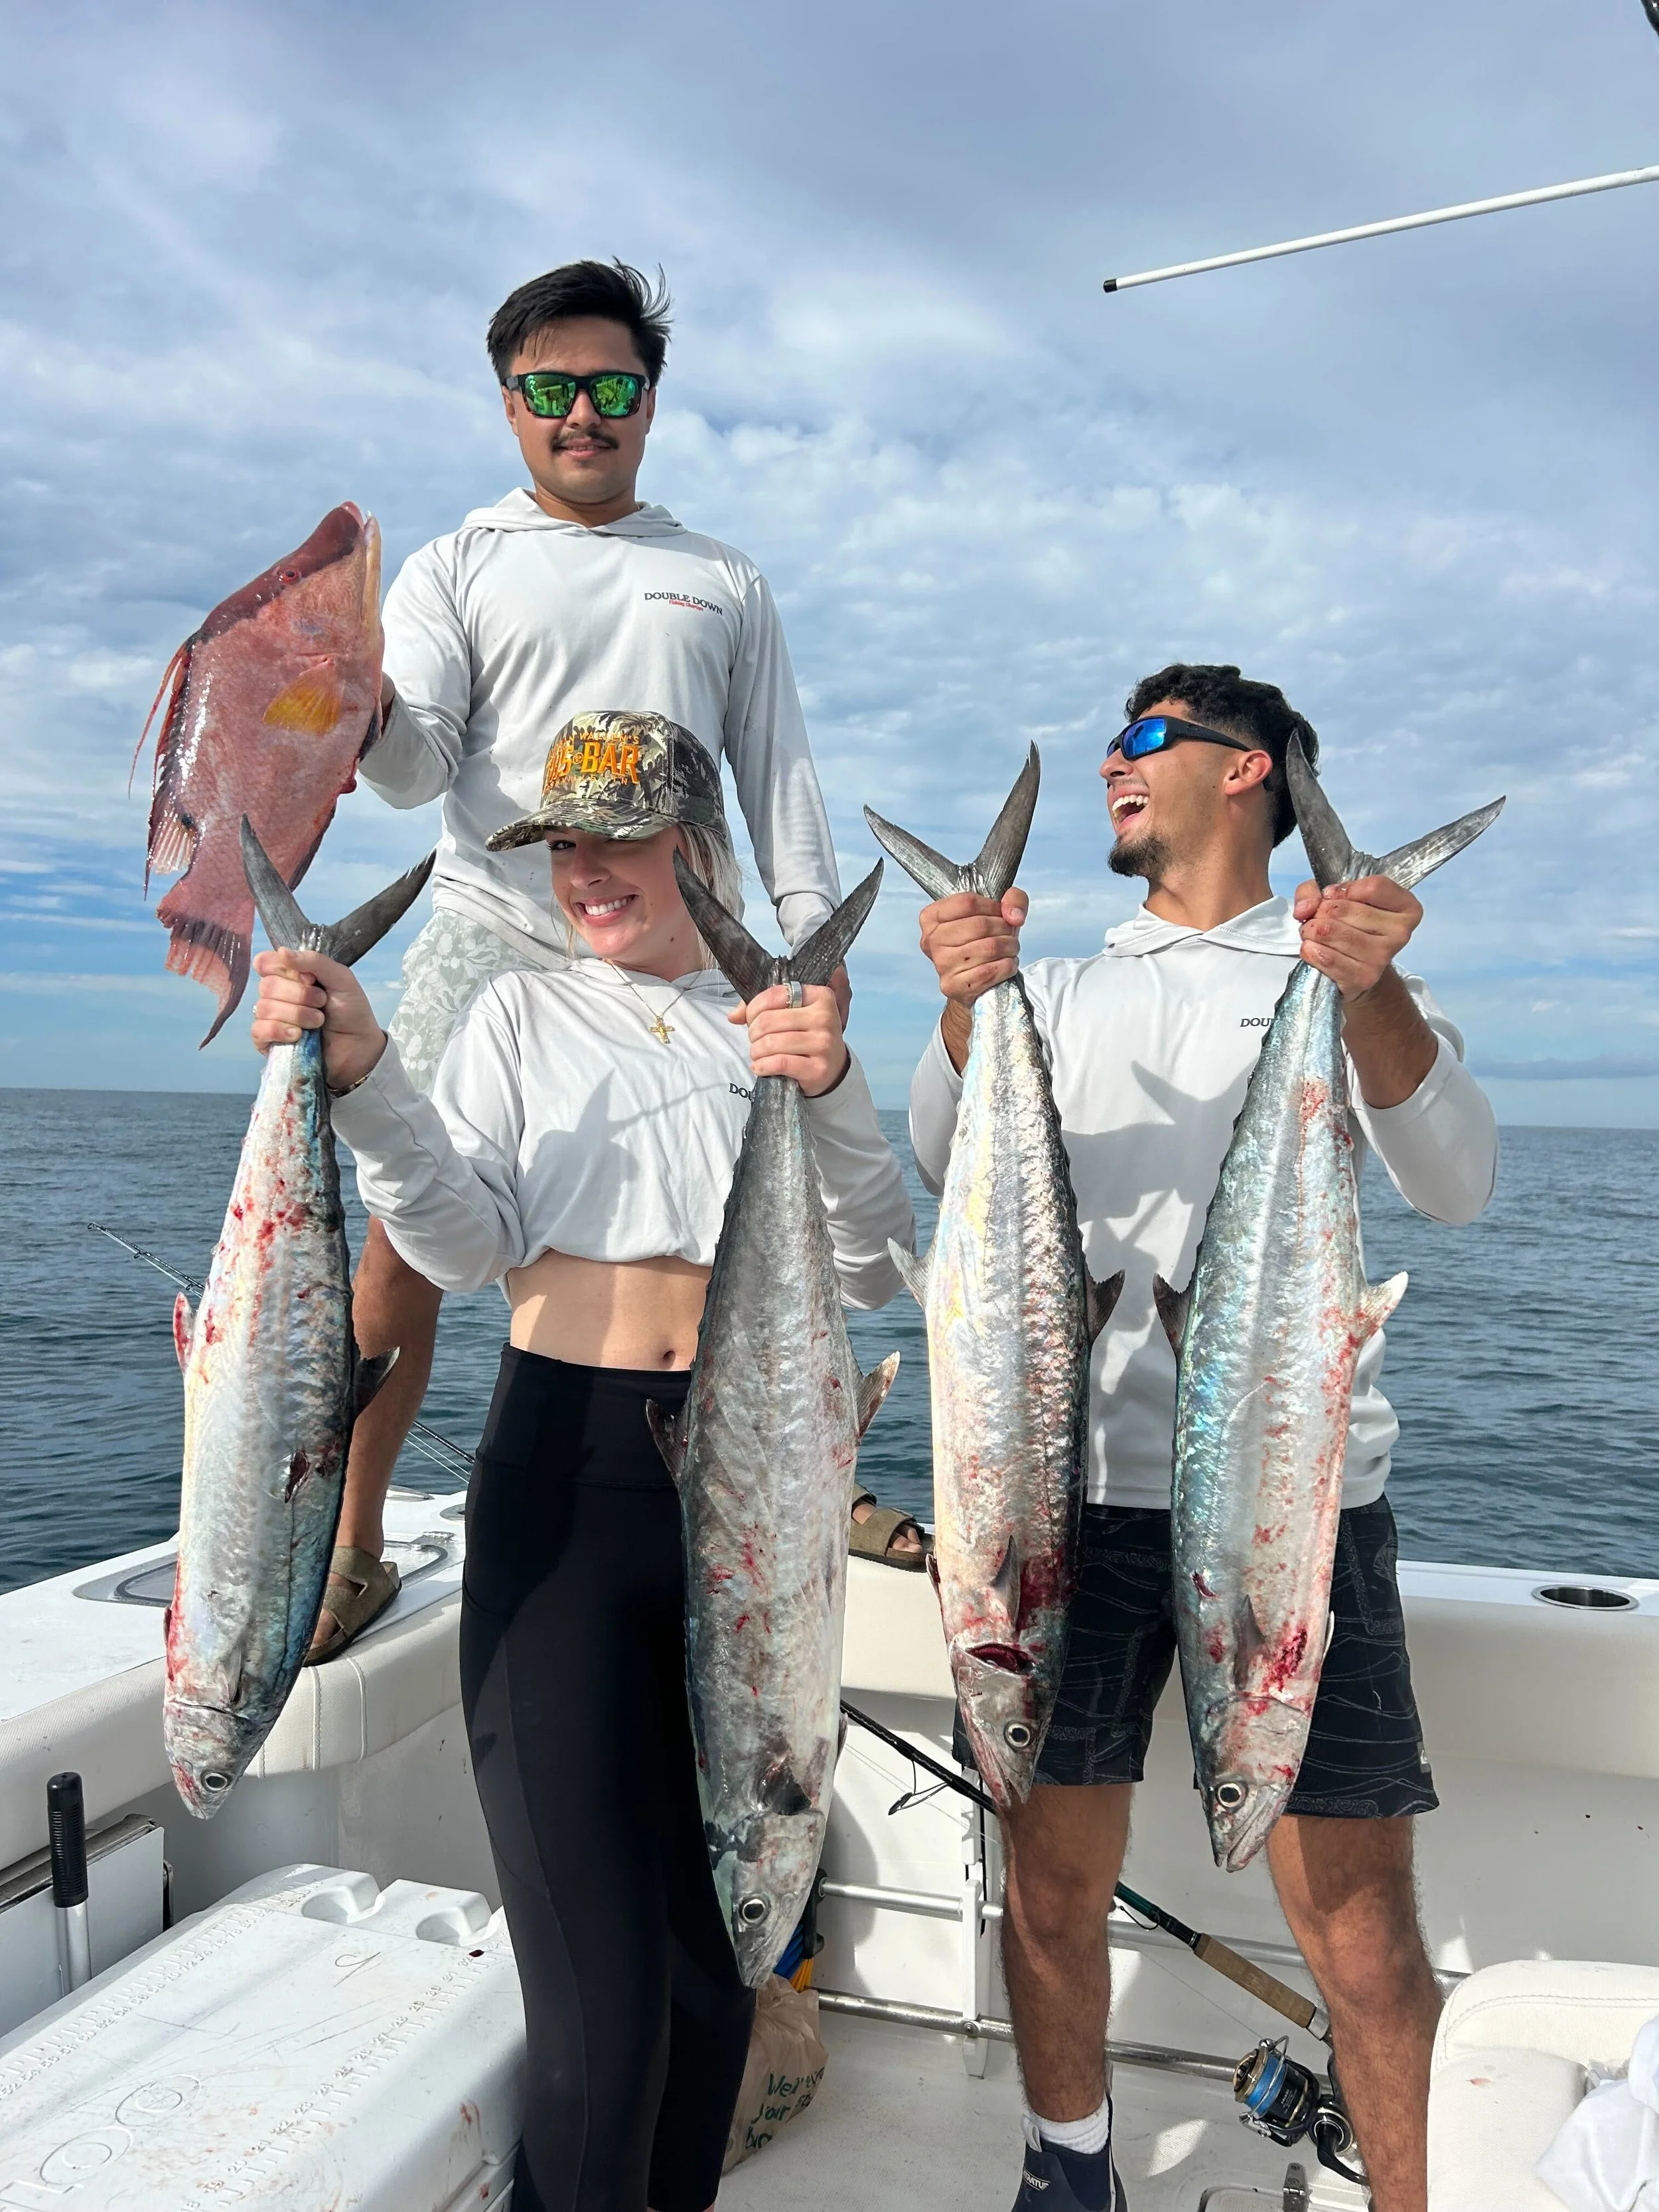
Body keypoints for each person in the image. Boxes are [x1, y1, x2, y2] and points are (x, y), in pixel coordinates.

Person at [252, 715, 914, 2212]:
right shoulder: (520, 1021)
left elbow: (874, 1269)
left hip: (758, 1497)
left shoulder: (778, 1029)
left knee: (713, 1989)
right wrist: (363, 1084)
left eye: (618, 836)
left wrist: (833, 1087)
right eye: (563, 843)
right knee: (601, 2026)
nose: (587, 870)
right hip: (573, 1488)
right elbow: (462, 1240)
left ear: (697, 844)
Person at [908, 665, 1498, 2212]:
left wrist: (1367, 988)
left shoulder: (1333, 972)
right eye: (1108, 742)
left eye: (1145, 740)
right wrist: (967, 1006)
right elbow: (930, 1155)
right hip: (1061, 1495)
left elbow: (1453, 1181)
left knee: (1358, 1934)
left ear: (1251, 774)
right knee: (1047, 1889)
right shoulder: (1062, 992)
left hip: (1292, 1508)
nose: (1113, 761)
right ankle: (1068, 2169)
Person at [317, 256, 922, 1660]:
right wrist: (355, 706)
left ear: (648, 404)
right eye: (547, 389)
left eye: (609, 387)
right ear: (508, 402)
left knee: (755, 1210)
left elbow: (777, 774)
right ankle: (344, 1539)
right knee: (410, 1239)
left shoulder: (718, 576)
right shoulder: (457, 563)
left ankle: (800, 1466)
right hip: (500, 911)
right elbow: (417, 770)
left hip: (689, 917)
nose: (578, 413)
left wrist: (805, 946)